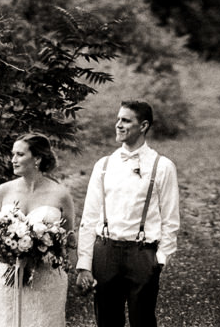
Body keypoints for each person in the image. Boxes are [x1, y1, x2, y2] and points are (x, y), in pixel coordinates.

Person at [75, 101, 181, 327]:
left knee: (142, 320)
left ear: (143, 126)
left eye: (125, 120)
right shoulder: (104, 165)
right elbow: (89, 217)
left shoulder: (162, 166)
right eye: (118, 119)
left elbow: (171, 220)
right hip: (105, 252)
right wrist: (84, 263)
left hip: (141, 253)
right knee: (107, 320)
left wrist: (160, 259)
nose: (118, 125)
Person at [0, 134, 77, 327]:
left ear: (37, 159)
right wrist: (2, 246)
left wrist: (45, 247)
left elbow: (69, 239)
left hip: (45, 277)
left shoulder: (60, 194)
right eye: (13, 154)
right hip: (6, 273)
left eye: (19, 154)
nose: (13, 159)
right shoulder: (3, 190)